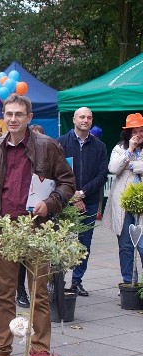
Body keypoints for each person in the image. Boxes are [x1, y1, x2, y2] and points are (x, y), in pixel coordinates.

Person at [0, 94, 75, 356]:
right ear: (3, 117)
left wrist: (50, 203)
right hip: (6, 230)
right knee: (4, 293)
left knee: (39, 294)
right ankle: (1, 348)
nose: (13, 119)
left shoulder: (47, 146)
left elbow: (67, 182)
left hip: (37, 229)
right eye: (9, 114)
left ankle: (39, 354)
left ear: (29, 118)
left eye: (19, 114)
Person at [57, 107, 108, 296]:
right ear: (74, 119)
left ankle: (77, 280)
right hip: (64, 200)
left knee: (84, 243)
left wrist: (83, 193)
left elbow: (102, 175)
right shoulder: (60, 143)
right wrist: (72, 195)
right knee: (61, 239)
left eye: (89, 117)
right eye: (82, 117)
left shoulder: (99, 146)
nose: (85, 120)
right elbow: (57, 173)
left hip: (90, 200)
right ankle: (58, 279)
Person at [103, 113, 143, 285]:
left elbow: (132, 167)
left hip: (141, 205)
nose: (138, 135)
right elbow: (113, 168)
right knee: (126, 245)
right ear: (127, 133)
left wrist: (134, 166)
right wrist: (130, 152)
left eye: (141, 131)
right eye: (134, 131)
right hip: (124, 205)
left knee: (142, 245)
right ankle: (128, 281)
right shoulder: (120, 148)